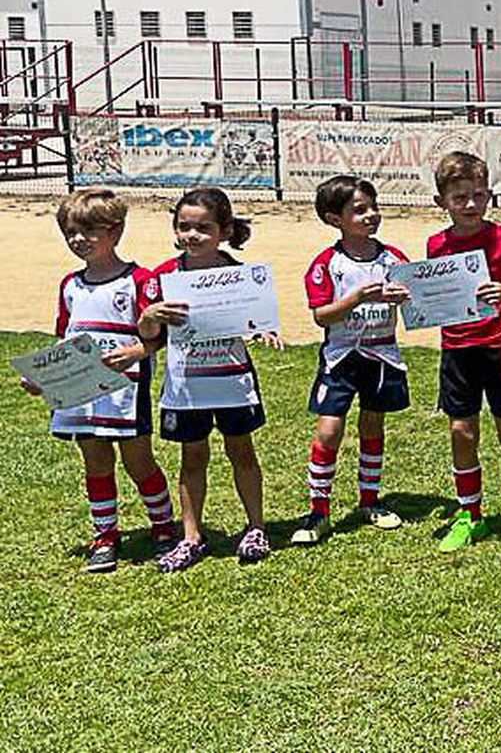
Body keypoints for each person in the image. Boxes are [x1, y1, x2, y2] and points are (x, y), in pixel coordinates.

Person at [22, 189, 175, 572]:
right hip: (81, 391)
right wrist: (45, 379)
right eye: (71, 232)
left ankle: (163, 527)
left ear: (116, 230)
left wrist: (139, 351)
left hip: (125, 388)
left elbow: (158, 335)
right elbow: (64, 340)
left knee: (139, 461)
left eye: (90, 231)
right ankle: (105, 535)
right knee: (95, 462)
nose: (79, 239)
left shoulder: (140, 279)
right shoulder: (70, 285)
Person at [138, 187, 282, 572]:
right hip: (187, 384)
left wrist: (264, 329)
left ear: (224, 230)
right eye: (184, 226)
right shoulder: (164, 278)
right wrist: (151, 313)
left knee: (242, 451)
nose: (192, 235)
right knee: (192, 456)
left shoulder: (239, 277)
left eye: (203, 228)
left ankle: (255, 528)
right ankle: (191, 536)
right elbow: (147, 333)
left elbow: (257, 319)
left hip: (232, 379)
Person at [290, 176, 411, 547]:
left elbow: (416, 299)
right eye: (359, 210)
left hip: (383, 355)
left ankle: (369, 501)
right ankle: (319, 511)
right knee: (328, 431)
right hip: (341, 357)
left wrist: (406, 296)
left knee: (372, 427)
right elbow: (322, 315)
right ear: (333, 219)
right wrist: (356, 298)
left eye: (374, 207)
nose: (371, 215)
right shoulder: (328, 264)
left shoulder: (394, 258)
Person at [427, 152, 501, 553]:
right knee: (461, 431)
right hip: (457, 350)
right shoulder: (435, 245)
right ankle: (469, 515)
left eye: (478, 195)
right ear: (442, 202)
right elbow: (432, 296)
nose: (470, 204)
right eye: (460, 198)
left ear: (489, 194)